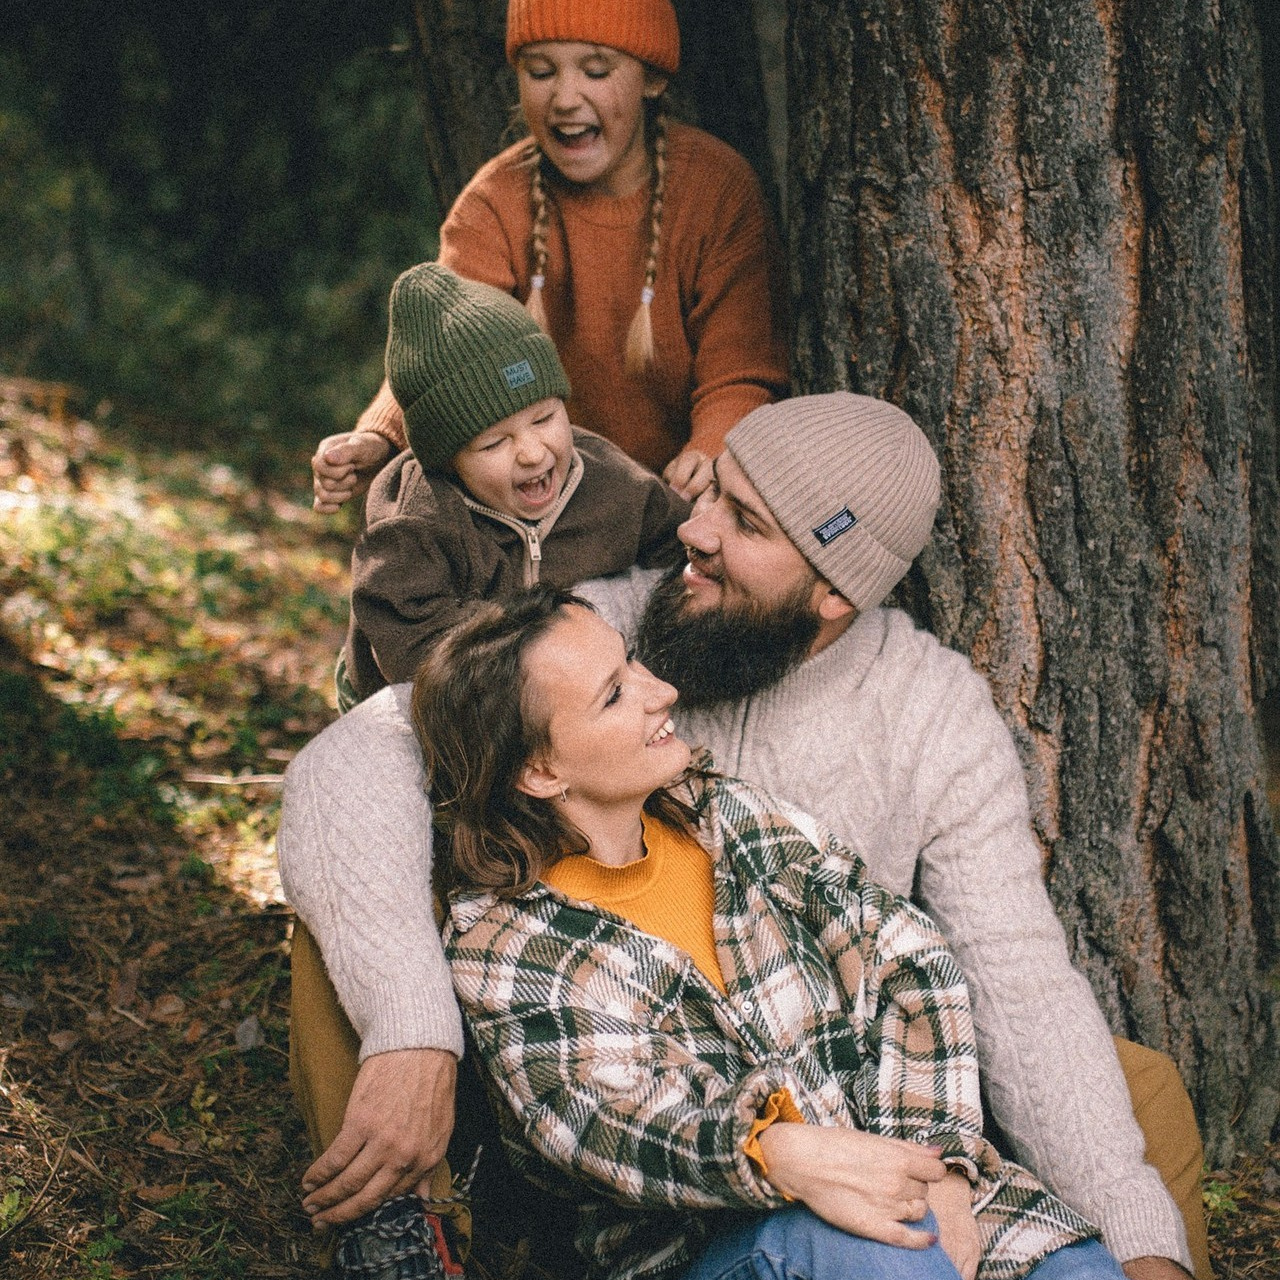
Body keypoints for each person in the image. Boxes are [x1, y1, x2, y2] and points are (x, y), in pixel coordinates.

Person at [279, 394, 1207, 1280]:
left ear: (833, 592)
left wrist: (1097, 1225)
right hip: (596, 1068)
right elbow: (347, 762)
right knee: (344, 950)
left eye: (749, 525)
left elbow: (1007, 974)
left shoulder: (926, 718)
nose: (695, 528)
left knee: (1143, 1098)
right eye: (715, 489)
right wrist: (415, 1031)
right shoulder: (605, 625)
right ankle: (401, 1227)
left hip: (839, 1073)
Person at [411, 585, 1121, 1280]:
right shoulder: (507, 948)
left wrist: (937, 1169)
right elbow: (603, 1125)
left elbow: (904, 955)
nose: (659, 690)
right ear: (539, 770)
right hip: (716, 1245)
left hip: (894, 1174)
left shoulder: (730, 819)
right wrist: (775, 1152)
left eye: (632, 661)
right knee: (869, 1255)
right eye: (614, 694)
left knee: (1074, 1268)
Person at [311, 0, 789, 513]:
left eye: (596, 70)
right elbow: (443, 359)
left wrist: (711, 446)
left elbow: (742, 371)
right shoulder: (494, 204)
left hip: (684, 501)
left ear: (651, 78)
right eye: (541, 71)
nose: (564, 97)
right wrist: (380, 438)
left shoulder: (717, 191)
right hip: (544, 503)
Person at [339, 262, 688, 707]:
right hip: (417, 700)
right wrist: (541, 635)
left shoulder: (610, 481)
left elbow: (678, 545)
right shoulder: (418, 521)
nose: (532, 452)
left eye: (544, 418)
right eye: (494, 443)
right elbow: (408, 642)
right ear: (448, 458)